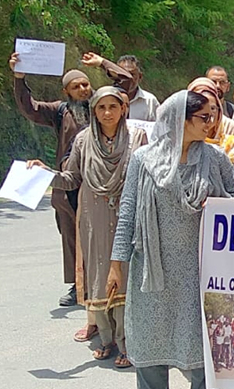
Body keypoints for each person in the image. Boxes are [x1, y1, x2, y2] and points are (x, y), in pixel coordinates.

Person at [110, 90, 234, 389]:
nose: (212, 122)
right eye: (203, 117)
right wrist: (116, 264)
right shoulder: (143, 159)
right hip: (152, 265)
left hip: (199, 266)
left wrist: (217, 201)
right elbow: (127, 212)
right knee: (149, 339)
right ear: (179, 120)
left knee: (198, 342)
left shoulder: (214, 158)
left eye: (213, 115)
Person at [27, 87, 147, 367]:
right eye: (101, 107)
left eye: (112, 107)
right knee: (99, 273)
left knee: (125, 273)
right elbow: (71, 179)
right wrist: (46, 174)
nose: (107, 113)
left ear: (123, 109)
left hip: (127, 212)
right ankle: (106, 339)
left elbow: (145, 176)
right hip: (92, 214)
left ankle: (128, 343)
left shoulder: (138, 138)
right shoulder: (83, 140)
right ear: (93, 110)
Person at [9, 51, 131, 318]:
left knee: (106, 232)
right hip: (70, 181)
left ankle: (111, 284)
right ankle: (78, 285)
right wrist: (19, 78)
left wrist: (103, 64)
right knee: (71, 235)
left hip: (105, 180)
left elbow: (127, 82)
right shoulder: (59, 111)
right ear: (66, 91)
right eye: (76, 86)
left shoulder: (103, 105)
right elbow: (30, 108)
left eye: (86, 84)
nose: (83, 89)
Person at [115, 55, 159, 121]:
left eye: (132, 74)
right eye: (123, 74)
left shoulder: (150, 101)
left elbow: (159, 127)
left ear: (140, 77)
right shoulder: (106, 99)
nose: (127, 78)